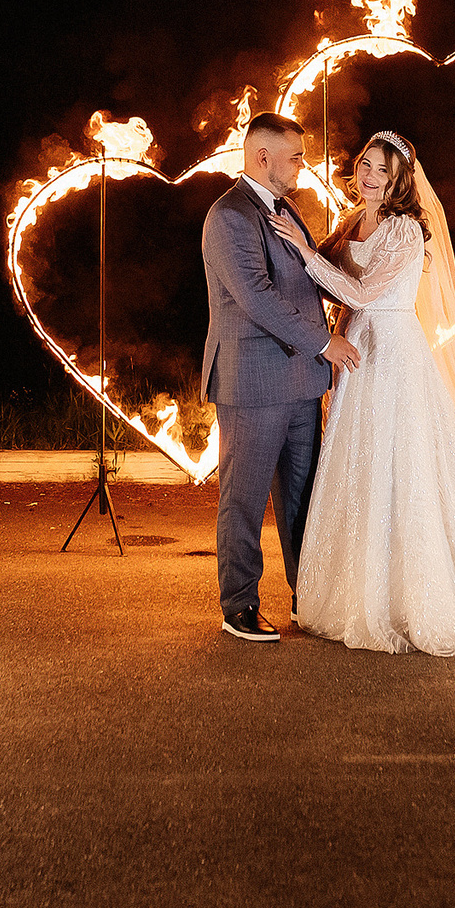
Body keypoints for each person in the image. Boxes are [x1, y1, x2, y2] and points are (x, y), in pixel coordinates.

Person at [266, 131, 455, 655]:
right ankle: (357, 592)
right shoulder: (354, 220)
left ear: (400, 180)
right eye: (365, 165)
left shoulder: (405, 229)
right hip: (354, 348)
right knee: (360, 463)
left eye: (382, 170)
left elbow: (363, 291)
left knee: (405, 462)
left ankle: (418, 597)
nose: (369, 175)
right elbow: (325, 279)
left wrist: (303, 249)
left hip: (391, 349)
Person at [199, 111, 360, 642]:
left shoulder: (286, 209)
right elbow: (256, 298)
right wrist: (324, 342)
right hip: (253, 382)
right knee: (242, 498)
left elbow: (308, 274)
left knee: (302, 494)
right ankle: (239, 604)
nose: (302, 165)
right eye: (295, 156)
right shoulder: (230, 216)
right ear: (262, 156)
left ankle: (304, 595)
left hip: (302, 382)